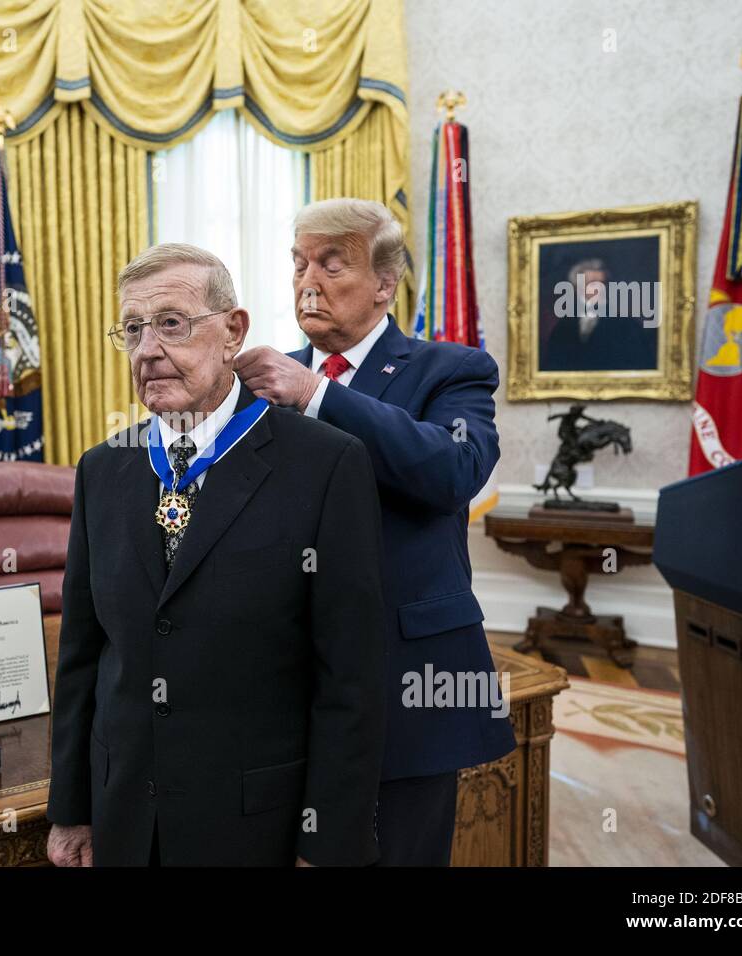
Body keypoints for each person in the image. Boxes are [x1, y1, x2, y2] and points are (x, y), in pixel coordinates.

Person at [46, 243, 385, 866]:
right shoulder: (103, 469)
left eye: (171, 323)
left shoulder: (326, 464)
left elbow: (352, 681)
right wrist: (70, 808)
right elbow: (82, 657)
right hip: (123, 819)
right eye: (133, 329)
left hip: (258, 826)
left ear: (233, 332)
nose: (147, 349)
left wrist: (328, 843)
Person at [234, 198, 516, 865]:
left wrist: (317, 396)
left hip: (406, 682)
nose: (309, 279)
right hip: (282, 680)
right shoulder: (258, 383)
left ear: (384, 284)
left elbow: (453, 469)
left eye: (332, 264)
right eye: (300, 262)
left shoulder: (451, 369)